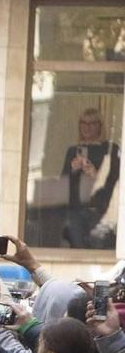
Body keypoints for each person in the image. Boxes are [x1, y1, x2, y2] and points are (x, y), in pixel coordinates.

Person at [60, 106, 120, 248]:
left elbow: (116, 182)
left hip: (101, 210)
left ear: (100, 126)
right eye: (83, 123)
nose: (87, 127)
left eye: (92, 123)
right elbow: (62, 184)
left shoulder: (110, 149)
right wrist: (73, 170)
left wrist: (95, 174)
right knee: (77, 250)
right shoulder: (73, 150)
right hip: (76, 210)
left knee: (99, 249)